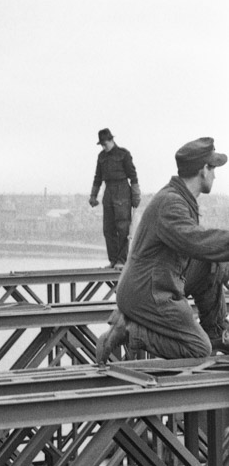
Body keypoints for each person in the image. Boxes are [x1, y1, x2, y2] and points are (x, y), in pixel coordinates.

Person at [97, 137, 229, 363]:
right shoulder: (171, 204)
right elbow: (196, 241)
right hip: (147, 292)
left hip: (160, 279)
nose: (215, 174)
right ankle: (128, 330)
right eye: (213, 168)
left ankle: (217, 333)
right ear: (203, 171)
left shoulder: (180, 198)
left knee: (214, 261)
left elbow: (205, 249)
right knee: (198, 348)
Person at [89, 128, 141, 268]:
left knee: (123, 227)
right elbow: (98, 177)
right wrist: (93, 195)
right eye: (101, 145)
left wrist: (136, 195)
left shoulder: (124, 154)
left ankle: (122, 261)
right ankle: (113, 260)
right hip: (108, 192)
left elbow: (133, 176)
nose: (103, 147)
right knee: (108, 228)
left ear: (112, 140)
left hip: (122, 191)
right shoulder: (101, 157)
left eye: (105, 144)